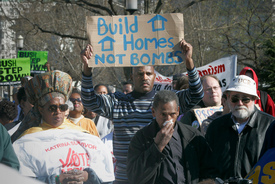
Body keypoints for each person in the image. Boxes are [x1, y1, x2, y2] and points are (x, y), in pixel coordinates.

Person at [81, 39, 204, 183]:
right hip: (125, 179)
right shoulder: (117, 102)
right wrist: (87, 69)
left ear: (154, 76)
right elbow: (89, 100)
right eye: (140, 74)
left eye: (148, 73)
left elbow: (196, 94)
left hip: (158, 179)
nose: (144, 78)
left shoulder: (166, 102)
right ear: (132, 77)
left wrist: (189, 61)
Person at [12, 70, 114, 184]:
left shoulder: (86, 137)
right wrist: (56, 180)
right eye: (52, 108)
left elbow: (106, 177)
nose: (58, 112)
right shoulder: (25, 143)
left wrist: (88, 176)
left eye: (63, 107)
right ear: (41, 109)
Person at [127, 90, 212, 184]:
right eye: (163, 114)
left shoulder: (192, 135)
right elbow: (134, 177)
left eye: (172, 114)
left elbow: (208, 169)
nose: (168, 120)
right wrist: (157, 146)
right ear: (153, 112)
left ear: (178, 111)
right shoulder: (142, 138)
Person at [205, 75, 275, 180]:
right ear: (227, 98)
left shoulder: (270, 125)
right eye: (235, 98)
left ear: (254, 99)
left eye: (245, 99)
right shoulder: (215, 127)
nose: (240, 103)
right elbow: (207, 163)